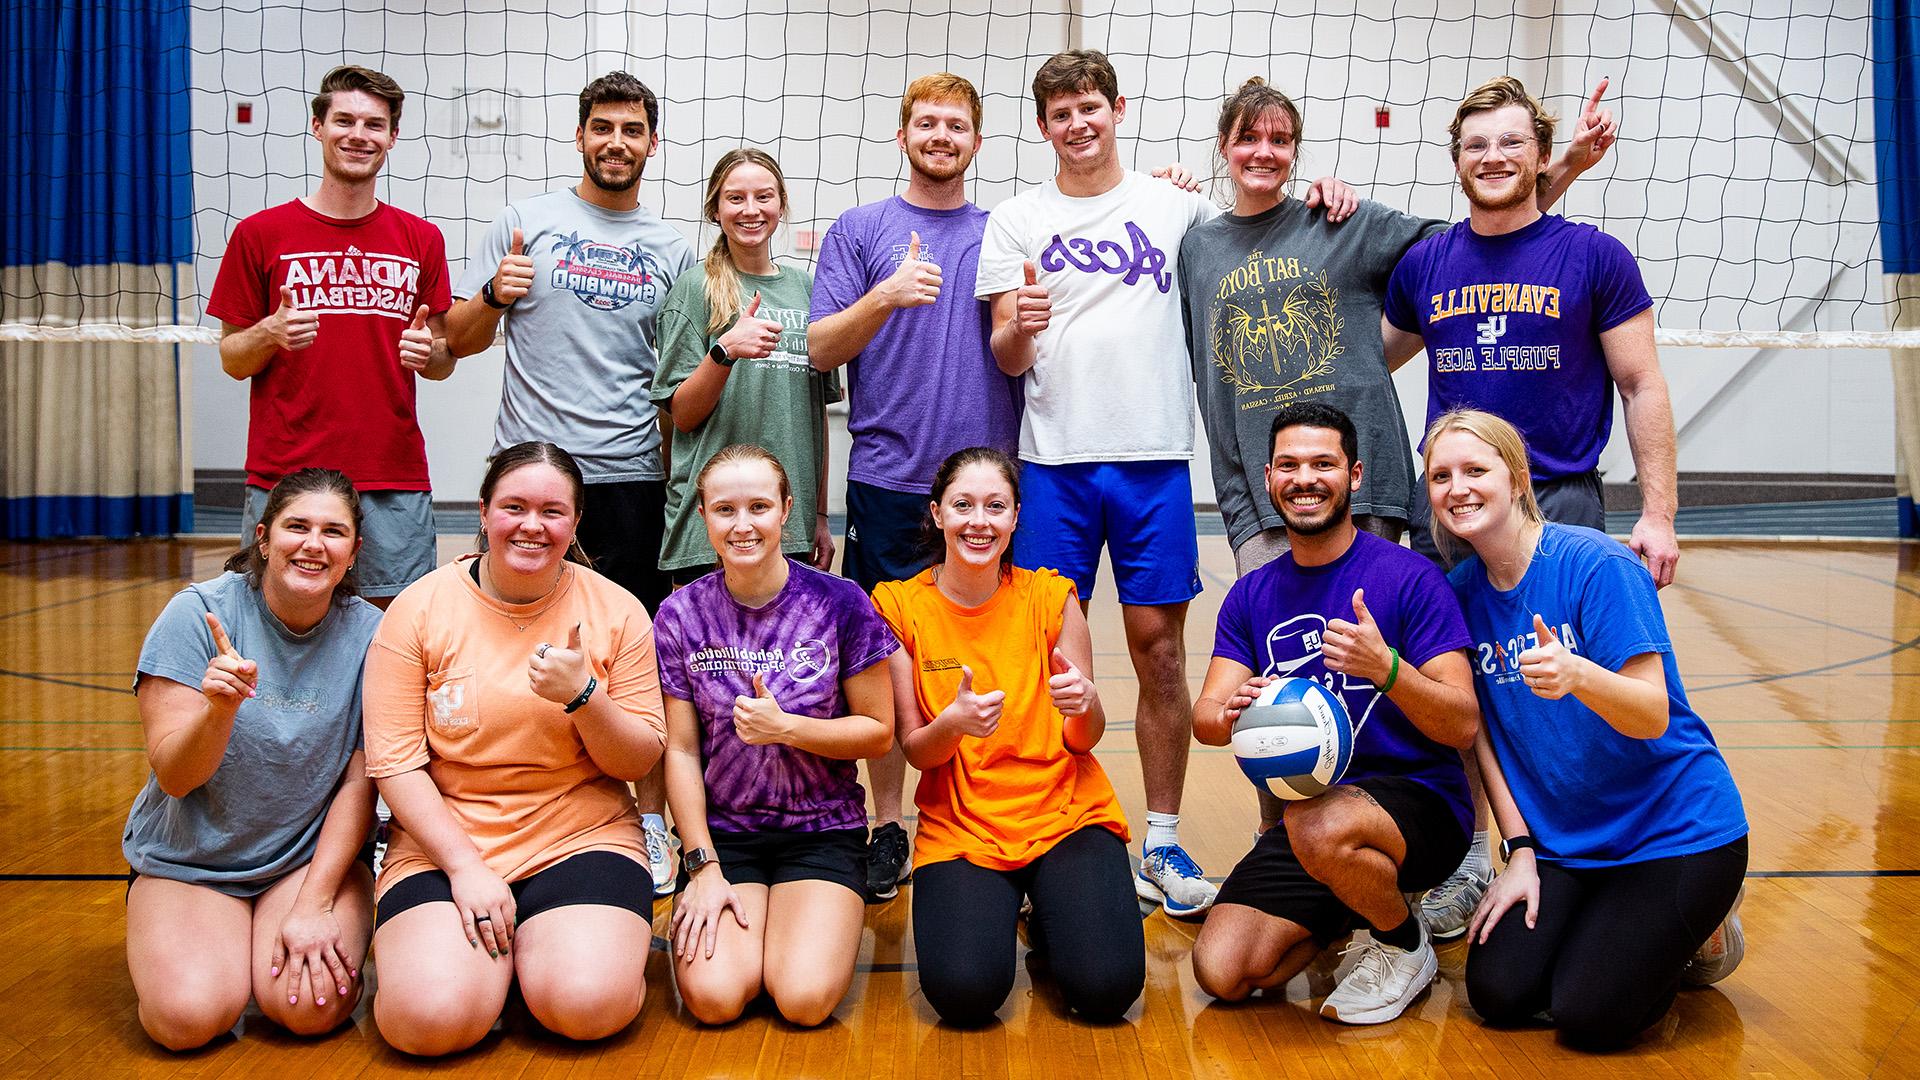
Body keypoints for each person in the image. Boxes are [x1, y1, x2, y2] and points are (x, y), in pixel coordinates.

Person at [1180, 75, 1617, 900]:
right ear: (1223, 148)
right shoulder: (1198, 246)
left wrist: (1571, 169)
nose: (1263, 153)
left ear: (1298, 150)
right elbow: (1207, 380)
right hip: (1261, 498)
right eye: (1248, 139)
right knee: (1280, 683)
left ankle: (1447, 852)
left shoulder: (1343, 222)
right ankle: (1294, 850)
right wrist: (1239, 497)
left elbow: (1491, 229)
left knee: (1407, 672)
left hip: (1370, 486)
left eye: (1280, 139)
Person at [974, 49, 1354, 915]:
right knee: (1044, 659)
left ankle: (1164, 841)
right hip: (1053, 464)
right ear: (1044, 127)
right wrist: (1021, 329)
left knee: (1158, 657)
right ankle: (1040, 831)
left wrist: (1326, 198)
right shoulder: (1016, 220)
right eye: (1062, 112)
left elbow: (1262, 221)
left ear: (1116, 109)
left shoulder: (1176, 207)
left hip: (1151, 463)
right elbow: (1005, 350)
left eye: (1091, 107)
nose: (1079, 123)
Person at [1382, 74, 1678, 939]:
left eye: (1512, 143)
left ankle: (1646, 860)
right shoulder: (1428, 264)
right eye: (1476, 145)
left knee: (1598, 689)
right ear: (1456, 160)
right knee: (1468, 688)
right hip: (1458, 510)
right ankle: (1484, 856)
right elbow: (1373, 359)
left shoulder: (1594, 256)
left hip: (1562, 500)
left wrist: (1658, 511)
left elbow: (1641, 381)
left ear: (1542, 157)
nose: (1494, 157)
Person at [443, 70, 695, 898]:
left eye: (632, 130)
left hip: (630, 475)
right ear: (580, 135)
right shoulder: (525, 224)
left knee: (638, 660)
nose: (616, 142)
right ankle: (497, 809)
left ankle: (649, 824)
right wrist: (491, 294)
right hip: (532, 472)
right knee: (505, 648)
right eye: (602, 127)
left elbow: (674, 381)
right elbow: (458, 341)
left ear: (652, 144)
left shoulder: (672, 249)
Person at [1423, 408, 1747, 1051]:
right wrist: (1519, 852)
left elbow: (1652, 711)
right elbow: (1480, 738)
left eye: (1475, 470)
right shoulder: (1457, 593)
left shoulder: (1596, 565)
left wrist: (1578, 675)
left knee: (1589, 1016)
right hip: (1566, 848)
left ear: (1516, 479)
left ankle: (1703, 932)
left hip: (1675, 831)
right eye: (1440, 475)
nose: (1457, 487)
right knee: (1500, 995)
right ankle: (1620, 927)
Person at [362, 442, 667, 1056]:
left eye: (553, 512)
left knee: (588, 1007)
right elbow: (395, 763)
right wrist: (465, 868)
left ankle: (537, 964)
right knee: (428, 1022)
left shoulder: (618, 610)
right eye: (515, 507)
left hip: (580, 836)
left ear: (576, 523)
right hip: (445, 842)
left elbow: (638, 760)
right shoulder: (418, 610)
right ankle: (488, 970)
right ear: (483, 512)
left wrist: (585, 697)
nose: (532, 525)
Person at [1189, 405, 1479, 1025]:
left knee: (1318, 824)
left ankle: (1404, 944)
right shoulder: (1252, 594)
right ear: (1268, 478)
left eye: (1324, 464)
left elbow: (1462, 723)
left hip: (1421, 807)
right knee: (1225, 971)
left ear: (1354, 474)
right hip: (1314, 820)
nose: (1306, 478)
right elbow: (1207, 717)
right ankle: (1358, 899)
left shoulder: (1410, 578)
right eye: (1289, 465)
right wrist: (1231, 711)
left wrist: (1388, 670)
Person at [807, 72, 1023, 903]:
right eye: (927, 123)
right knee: (885, 662)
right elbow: (822, 349)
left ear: (976, 140)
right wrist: (886, 295)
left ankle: (1000, 809)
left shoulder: (1003, 229)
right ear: (903, 136)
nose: (941, 135)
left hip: (987, 486)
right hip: (890, 481)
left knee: (994, 655)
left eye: (957, 124)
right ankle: (890, 823)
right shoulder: (862, 232)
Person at [873, 447, 1142, 1026]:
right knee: (964, 994)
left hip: (1064, 813)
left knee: (1106, 990)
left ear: (1016, 517)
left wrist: (1087, 705)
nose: (979, 520)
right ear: (937, 514)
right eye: (963, 505)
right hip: (963, 825)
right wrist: (953, 723)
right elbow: (917, 748)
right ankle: (1024, 903)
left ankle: (1048, 909)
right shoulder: (897, 608)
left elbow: (1083, 740)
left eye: (996, 506)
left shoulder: (1051, 598)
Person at [124, 468, 383, 1050]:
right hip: (193, 859)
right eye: (296, 527)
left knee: (308, 1009)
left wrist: (316, 903)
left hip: (304, 863)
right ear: (264, 539)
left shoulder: (373, 634)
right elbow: (176, 774)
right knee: (186, 1018)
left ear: (353, 552)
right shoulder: (198, 616)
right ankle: (214, 948)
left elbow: (359, 786)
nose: (313, 544)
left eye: (332, 532)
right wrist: (218, 711)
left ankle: (257, 944)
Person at [655, 444, 897, 1025]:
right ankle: (755, 934)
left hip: (822, 830)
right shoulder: (680, 615)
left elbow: (878, 732)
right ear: (703, 516)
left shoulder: (841, 604)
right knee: (714, 1000)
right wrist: (701, 865)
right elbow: (682, 751)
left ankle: (796, 932)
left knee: (803, 999)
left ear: (786, 509)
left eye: (759, 506)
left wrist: (789, 728)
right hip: (726, 837)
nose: (743, 525)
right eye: (724, 510)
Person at [206, 65, 454, 609]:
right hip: (285, 474)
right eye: (344, 120)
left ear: (392, 136)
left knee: (396, 630)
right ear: (318, 126)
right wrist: (269, 331)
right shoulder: (259, 234)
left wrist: (430, 354)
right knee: (275, 621)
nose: (358, 134)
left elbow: (440, 357)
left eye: (374, 124)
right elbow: (231, 357)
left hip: (391, 475)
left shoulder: (422, 238)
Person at [656, 149, 839, 584]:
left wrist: (817, 513)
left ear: (781, 204)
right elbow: (680, 413)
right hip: (711, 529)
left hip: (786, 524)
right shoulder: (695, 287)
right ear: (715, 210)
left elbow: (817, 417)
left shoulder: (808, 289)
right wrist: (725, 351)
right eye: (735, 198)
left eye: (764, 197)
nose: (751, 210)